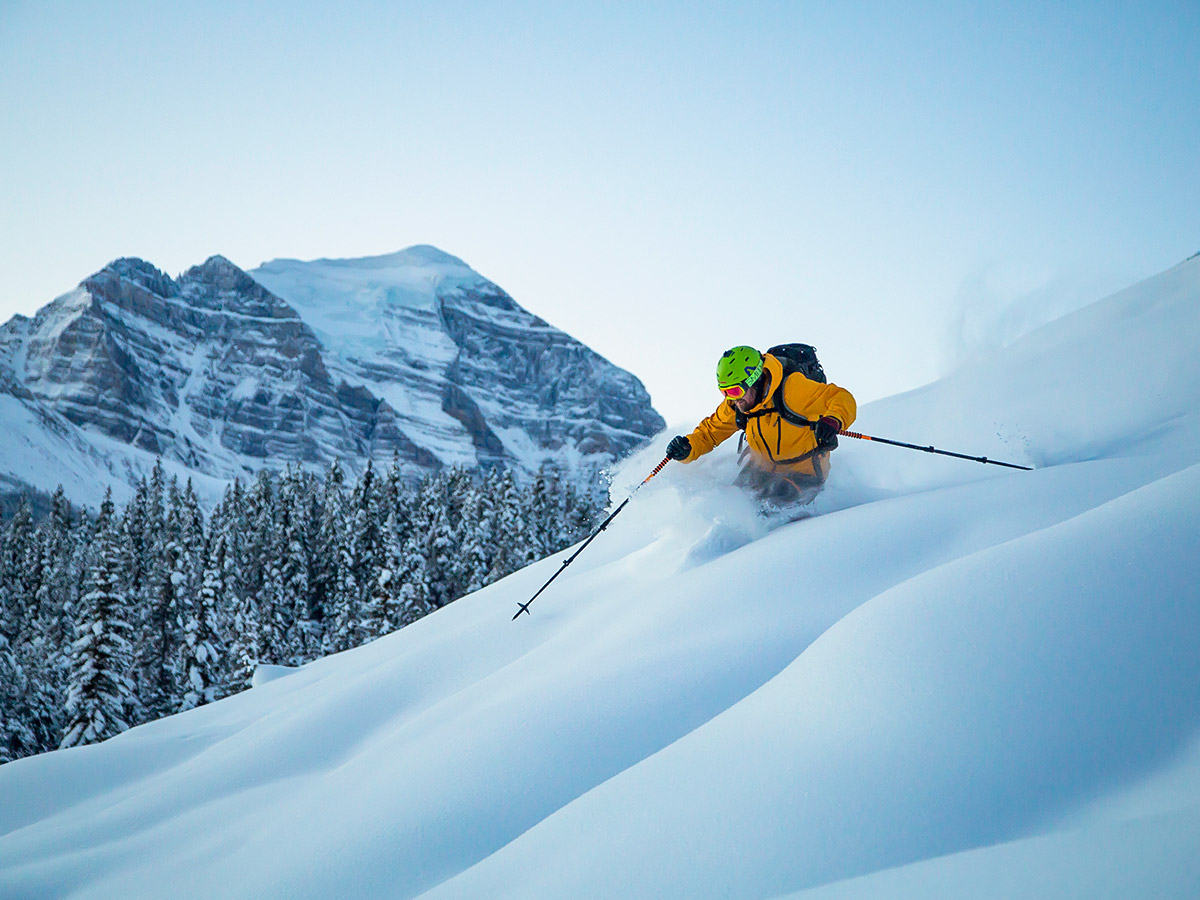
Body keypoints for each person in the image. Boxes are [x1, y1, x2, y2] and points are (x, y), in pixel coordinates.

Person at [665, 345, 857, 510]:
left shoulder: (792, 390)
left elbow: (840, 397)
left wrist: (833, 420)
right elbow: (709, 433)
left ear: (754, 380)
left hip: (803, 474)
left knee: (768, 510)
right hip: (761, 470)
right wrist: (688, 447)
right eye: (725, 392)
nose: (732, 399)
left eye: (734, 391)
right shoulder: (738, 404)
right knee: (730, 505)